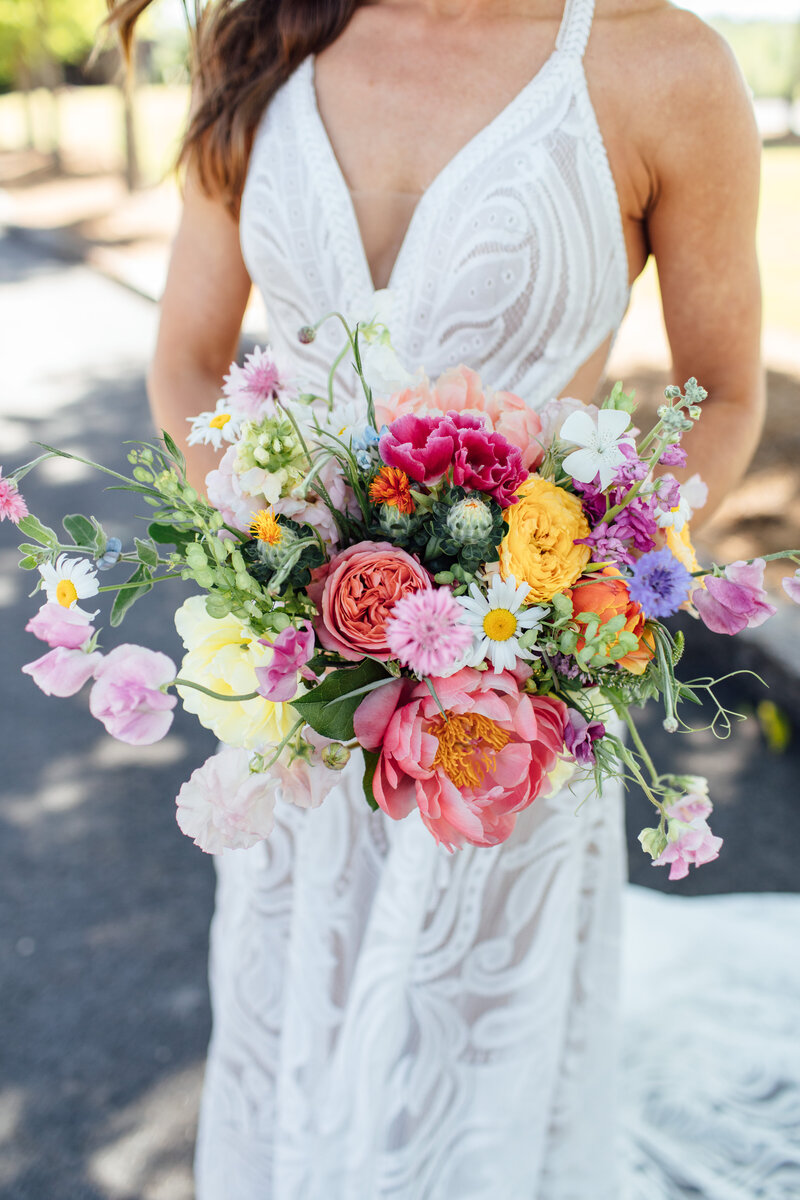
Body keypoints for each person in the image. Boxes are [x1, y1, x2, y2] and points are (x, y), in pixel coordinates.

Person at [108, 1, 766, 1197]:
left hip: (509, 709)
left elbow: (721, 391)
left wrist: (587, 578)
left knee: (474, 1072)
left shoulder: (658, 64)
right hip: (296, 700)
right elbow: (189, 359)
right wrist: (280, 575)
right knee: (301, 1009)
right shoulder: (259, 37)